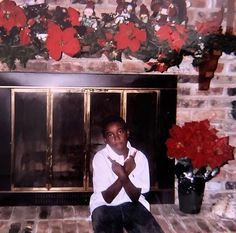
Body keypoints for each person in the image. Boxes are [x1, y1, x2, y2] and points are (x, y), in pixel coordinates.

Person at [89, 115, 164, 233]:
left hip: (132, 203)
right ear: (105, 140)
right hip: (104, 206)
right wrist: (126, 172)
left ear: (127, 133)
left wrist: (123, 175)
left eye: (120, 132)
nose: (116, 138)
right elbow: (108, 198)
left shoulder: (139, 157)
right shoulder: (100, 158)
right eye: (110, 135)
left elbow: (134, 197)